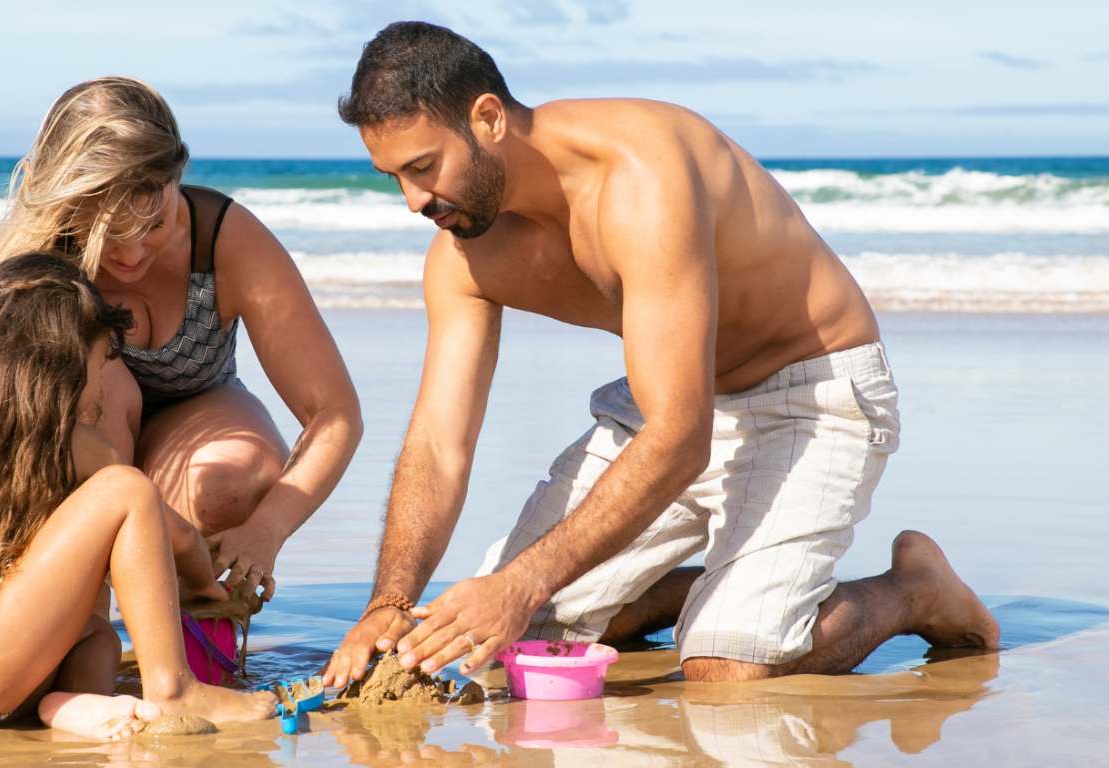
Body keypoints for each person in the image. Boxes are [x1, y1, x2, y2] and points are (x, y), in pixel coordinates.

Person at [325, 22, 999, 687]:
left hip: (808, 394)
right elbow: (440, 443)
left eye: (423, 168)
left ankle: (914, 590)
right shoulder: (463, 257)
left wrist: (521, 581)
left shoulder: (640, 178)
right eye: (394, 178)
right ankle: (707, 590)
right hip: (668, 397)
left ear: (489, 118)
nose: (413, 201)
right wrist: (386, 605)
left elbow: (682, 438)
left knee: (725, 665)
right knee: (507, 643)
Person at [0, 253, 276, 738]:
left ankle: (71, 704)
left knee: (96, 637)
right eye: (100, 365)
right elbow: (175, 534)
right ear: (65, 369)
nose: (102, 386)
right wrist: (206, 584)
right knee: (127, 491)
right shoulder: (68, 443)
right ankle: (175, 688)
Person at [0, 77, 362, 600]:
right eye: (110, 233)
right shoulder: (48, 264)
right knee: (108, 388)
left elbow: (335, 415)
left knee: (230, 483)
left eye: (154, 224)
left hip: (200, 411)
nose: (133, 255)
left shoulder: (225, 239)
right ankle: (89, 624)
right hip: (87, 440)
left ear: (177, 179)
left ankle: (192, 625)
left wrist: (267, 527)